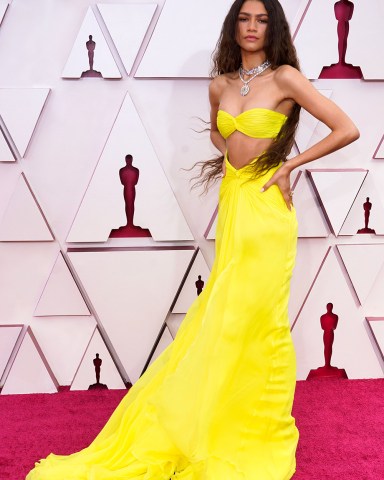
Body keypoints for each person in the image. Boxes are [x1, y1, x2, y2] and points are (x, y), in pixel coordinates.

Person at [26, 1, 359, 479]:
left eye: (262, 20)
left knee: (256, 319)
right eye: (244, 19)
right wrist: (234, 164)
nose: (251, 27)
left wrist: (287, 164)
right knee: (221, 319)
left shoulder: (286, 77)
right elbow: (219, 138)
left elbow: (347, 128)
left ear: (274, 28)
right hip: (234, 206)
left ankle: (253, 428)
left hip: (267, 214)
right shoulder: (220, 85)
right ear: (233, 26)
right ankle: (208, 422)